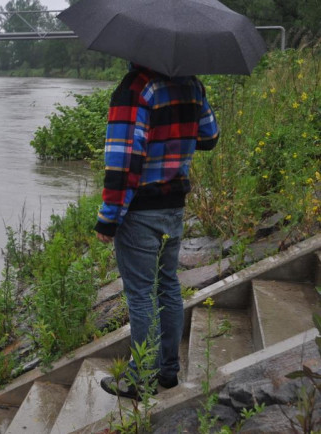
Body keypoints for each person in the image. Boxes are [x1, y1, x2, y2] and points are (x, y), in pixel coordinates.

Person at [95, 63, 219, 400]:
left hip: (140, 212)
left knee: (140, 295)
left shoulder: (135, 88)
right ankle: (167, 371)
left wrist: (108, 218)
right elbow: (210, 137)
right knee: (167, 285)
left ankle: (141, 378)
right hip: (174, 207)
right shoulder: (192, 82)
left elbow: (123, 161)